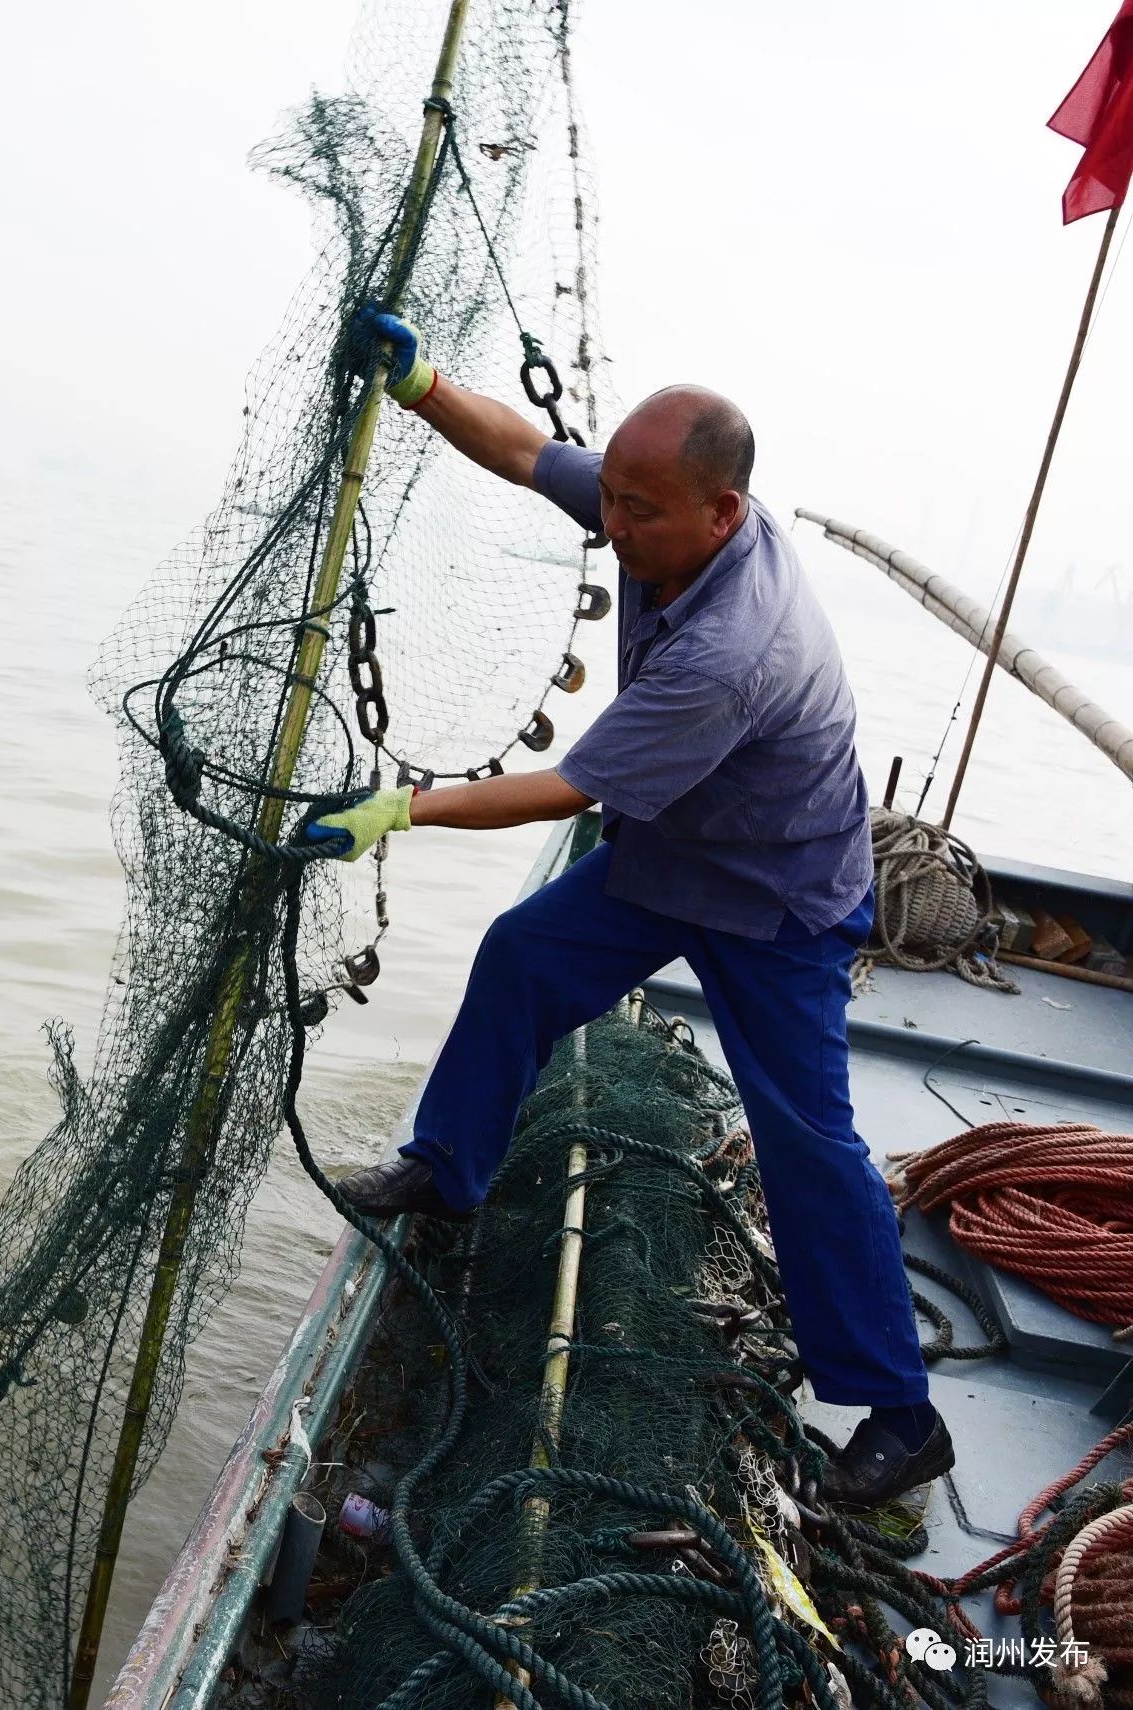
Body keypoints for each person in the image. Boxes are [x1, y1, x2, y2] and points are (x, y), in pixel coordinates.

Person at [307, 311, 955, 1509]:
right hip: (669, 854)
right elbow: (519, 452)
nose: (608, 525)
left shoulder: (731, 647)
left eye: (635, 511)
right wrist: (424, 386)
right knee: (520, 957)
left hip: (773, 901)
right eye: (607, 496)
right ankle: (448, 1169)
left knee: (806, 1141)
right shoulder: (652, 508)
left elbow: (562, 788)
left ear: (722, 513)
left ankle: (899, 1416)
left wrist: (398, 809)